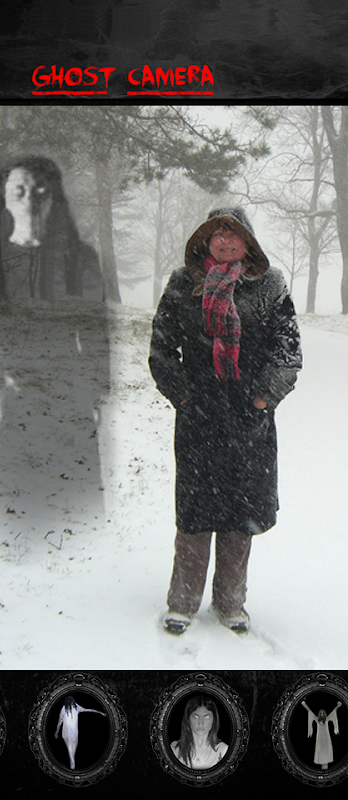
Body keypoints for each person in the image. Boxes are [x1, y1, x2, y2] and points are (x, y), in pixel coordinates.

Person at [149, 207, 302, 635]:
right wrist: (183, 394)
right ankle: (182, 603)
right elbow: (161, 348)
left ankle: (231, 602)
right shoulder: (183, 283)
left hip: (249, 420)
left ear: (248, 241)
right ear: (205, 241)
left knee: (240, 514)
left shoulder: (270, 286)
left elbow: (288, 352)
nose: (225, 240)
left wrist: (261, 399)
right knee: (195, 512)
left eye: (233, 234)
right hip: (199, 418)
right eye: (217, 234)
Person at [171, 694, 228, 769]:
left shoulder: (223, 751)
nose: (201, 722)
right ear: (188, 719)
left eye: (207, 717)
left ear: (214, 720)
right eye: (195, 716)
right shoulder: (175, 749)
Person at [54, 695, 107, 769]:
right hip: (66, 732)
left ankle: (72, 762)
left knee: (73, 747)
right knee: (69, 746)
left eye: (72, 702)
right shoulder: (63, 709)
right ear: (67, 702)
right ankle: (72, 763)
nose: (71, 703)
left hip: (75, 733)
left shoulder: (76, 707)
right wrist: (56, 732)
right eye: (70, 702)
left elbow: (87, 710)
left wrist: (100, 712)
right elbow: (59, 722)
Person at [301, 699, 342, 770]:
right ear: (319, 714)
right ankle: (322, 765)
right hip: (320, 738)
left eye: (323, 713)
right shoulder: (317, 719)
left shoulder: (327, 719)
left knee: (326, 749)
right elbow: (309, 711)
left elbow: (333, 712)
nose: (322, 714)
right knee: (320, 749)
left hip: (326, 737)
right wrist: (304, 704)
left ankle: (325, 765)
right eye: (321, 713)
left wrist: (338, 706)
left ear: (324, 714)